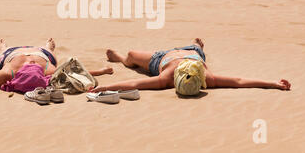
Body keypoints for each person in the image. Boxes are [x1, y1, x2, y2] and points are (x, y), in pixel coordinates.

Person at [90, 38, 291, 95]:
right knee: (196, 46)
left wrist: (107, 87)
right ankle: (197, 45)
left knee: (132, 55)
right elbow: (239, 81)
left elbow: (136, 82)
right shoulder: (206, 76)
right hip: (194, 53)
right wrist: (272, 83)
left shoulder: (166, 77)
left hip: (162, 58)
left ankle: (121, 58)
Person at [0, 38, 113, 92]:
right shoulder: (47, 70)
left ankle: (2, 48)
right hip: (40, 53)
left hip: (11, 53)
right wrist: (102, 71)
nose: (31, 66)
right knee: (50, 53)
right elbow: (78, 74)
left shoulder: (7, 73)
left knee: (1, 55)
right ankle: (47, 46)